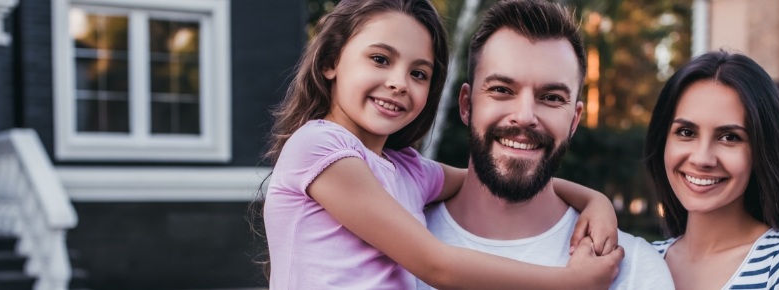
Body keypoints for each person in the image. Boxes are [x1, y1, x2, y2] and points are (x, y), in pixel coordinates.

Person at [260, 0, 624, 289]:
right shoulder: (318, 148)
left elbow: (483, 175)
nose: (399, 83)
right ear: (330, 61)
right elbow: (438, 265)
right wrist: (571, 283)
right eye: (380, 59)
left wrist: (595, 200)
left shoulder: (407, 170)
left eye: (418, 73)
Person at [415, 1, 675, 289]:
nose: (525, 117)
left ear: (575, 120)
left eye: (551, 97)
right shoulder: (393, 243)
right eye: (502, 90)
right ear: (466, 105)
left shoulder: (633, 270)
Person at [644, 50, 779, 289]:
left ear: (761, 150)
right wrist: (594, 202)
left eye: (729, 137)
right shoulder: (639, 261)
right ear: (663, 141)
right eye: (686, 132)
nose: (702, 158)